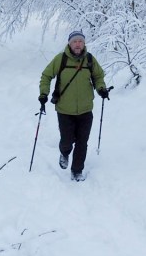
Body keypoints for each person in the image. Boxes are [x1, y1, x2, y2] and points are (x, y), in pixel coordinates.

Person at [39, 30, 108, 181]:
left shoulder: (89, 59)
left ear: (84, 44)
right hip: (65, 110)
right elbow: (46, 76)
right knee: (67, 141)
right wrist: (43, 94)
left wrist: (101, 88)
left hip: (85, 109)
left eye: (80, 41)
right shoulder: (61, 59)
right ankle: (64, 153)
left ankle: (77, 171)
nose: (78, 44)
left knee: (82, 143)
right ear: (69, 44)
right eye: (75, 41)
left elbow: (98, 76)